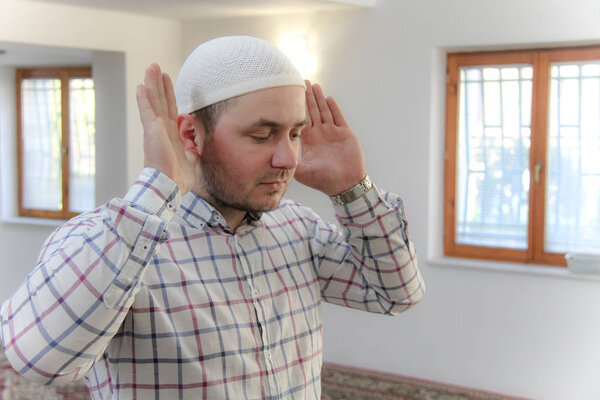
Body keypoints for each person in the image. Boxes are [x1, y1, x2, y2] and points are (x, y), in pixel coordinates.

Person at [0, 36, 424, 399]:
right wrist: (157, 186)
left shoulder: (297, 228)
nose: (288, 158)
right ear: (191, 135)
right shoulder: (110, 242)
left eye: (295, 133)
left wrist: (353, 187)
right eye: (262, 135)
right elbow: (39, 360)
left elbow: (394, 294)